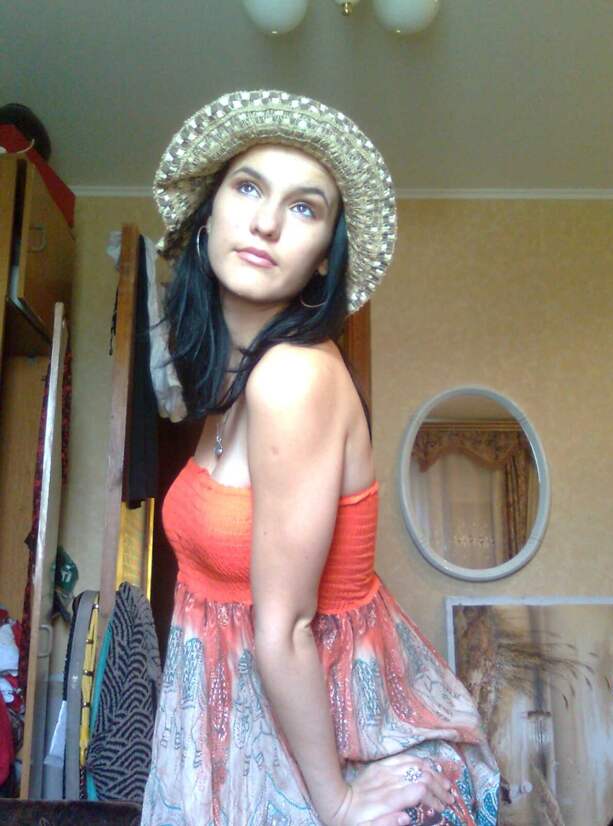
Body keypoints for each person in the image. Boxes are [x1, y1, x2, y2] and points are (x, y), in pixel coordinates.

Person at [141, 90, 499, 826]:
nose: (267, 222)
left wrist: (337, 803)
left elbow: (286, 626)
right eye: (248, 188)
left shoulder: (293, 377)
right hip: (243, 726)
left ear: (322, 258)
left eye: (304, 208)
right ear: (208, 215)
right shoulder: (235, 386)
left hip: (325, 744)